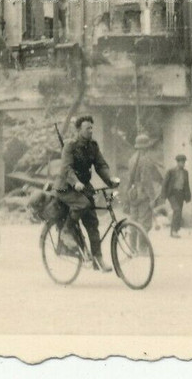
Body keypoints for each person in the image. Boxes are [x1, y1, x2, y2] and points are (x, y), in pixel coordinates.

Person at [56, 115, 118, 272]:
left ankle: (98, 260)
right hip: (66, 187)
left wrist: (110, 179)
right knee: (83, 203)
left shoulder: (93, 146)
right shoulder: (70, 146)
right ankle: (66, 231)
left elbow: (101, 165)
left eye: (92, 128)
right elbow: (66, 168)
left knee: (93, 224)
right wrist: (75, 182)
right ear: (78, 130)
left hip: (83, 188)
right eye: (87, 128)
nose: (91, 131)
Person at [125, 133, 162, 232]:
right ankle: (142, 243)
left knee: (133, 223)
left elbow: (129, 179)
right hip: (143, 194)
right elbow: (146, 181)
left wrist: (127, 195)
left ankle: (132, 242)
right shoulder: (145, 160)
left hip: (133, 194)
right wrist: (152, 198)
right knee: (145, 224)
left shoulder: (132, 159)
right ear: (146, 147)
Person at [161, 154, 192, 238]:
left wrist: (188, 196)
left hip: (181, 194)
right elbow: (165, 183)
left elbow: (187, 185)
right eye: (181, 162)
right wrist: (163, 196)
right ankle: (174, 231)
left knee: (178, 212)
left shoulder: (185, 172)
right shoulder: (171, 171)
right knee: (177, 210)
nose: (183, 164)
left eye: (184, 162)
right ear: (177, 162)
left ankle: (174, 231)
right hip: (172, 194)